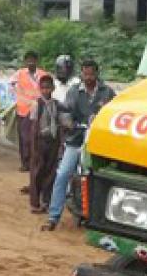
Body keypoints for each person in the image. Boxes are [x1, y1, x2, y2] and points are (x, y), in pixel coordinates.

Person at [43, 58, 116, 231]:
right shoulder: (74, 92)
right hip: (76, 140)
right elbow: (65, 112)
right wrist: (69, 123)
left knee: (99, 179)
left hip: (97, 145)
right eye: (85, 73)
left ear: (97, 73)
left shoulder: (107, 93)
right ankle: (53, 217)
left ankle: (99, 220)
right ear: (81, 74)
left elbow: (113, 114)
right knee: (62, 174)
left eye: (91, 74)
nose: (88, 77)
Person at [9, 51, 47, 172]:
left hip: (39, 110)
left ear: (37, 61)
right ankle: (25, 163)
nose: (30, 62)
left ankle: (34, 162)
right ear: (25, 62)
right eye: (28, 60)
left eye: (33, 60)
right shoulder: (19, 74)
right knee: (24, 138)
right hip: (23, 110)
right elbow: (11, 85)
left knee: (36, 138)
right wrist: (18, 93)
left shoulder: (43, 75)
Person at [29, 74, 61, 213]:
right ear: (39, 89)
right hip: (40, 142)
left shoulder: (57, 104)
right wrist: (34, 148)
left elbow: (60, 123)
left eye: (48, 88)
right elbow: (34, 126)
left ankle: (46, 201)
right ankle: (35, 203)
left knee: (50, 172)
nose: (46, 91)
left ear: (53, 88)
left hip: (53, 142)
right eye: (43, 88)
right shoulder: (37, 104)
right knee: (37, 172)